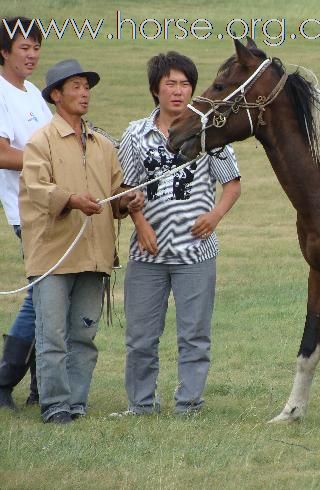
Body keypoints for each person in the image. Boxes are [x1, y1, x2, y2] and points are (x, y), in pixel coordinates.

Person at [117, 51, 241, 415]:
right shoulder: (135, 134)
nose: (178, 91)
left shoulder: (208, 129)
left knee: (194, 335)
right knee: (140, 337)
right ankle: (141, 405)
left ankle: (189, 404)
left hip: (196, 252)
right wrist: (139, 223)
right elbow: (127, 190)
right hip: (147, 254)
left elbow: (232, 185)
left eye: (185, 83)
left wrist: (215, 216)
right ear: (155, 89)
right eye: (170, 83)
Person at [19, 59, 142, 423]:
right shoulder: (40, 142)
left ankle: (76, 403)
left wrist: (128, 199)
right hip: (52, 255)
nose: (84, 93)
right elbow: (37, 190)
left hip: (95, 254)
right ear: (56, 95)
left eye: (86, 87)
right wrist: (71, 200)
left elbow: (117, 192)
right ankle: (55, 406)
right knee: (52, 336)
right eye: (75, 86)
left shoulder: (104, 144)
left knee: (83, 336)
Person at [0, 16, 51, 410]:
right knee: (41, 296)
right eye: (24, 48)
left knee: (51, 295)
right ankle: (4, 381)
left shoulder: (32, 91)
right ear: (4, 51)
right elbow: (1, 153)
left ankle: (41, 388)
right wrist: (48, 167)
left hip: (51, 205)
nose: (32, 55)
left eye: (36, 47)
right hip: (27, 211)